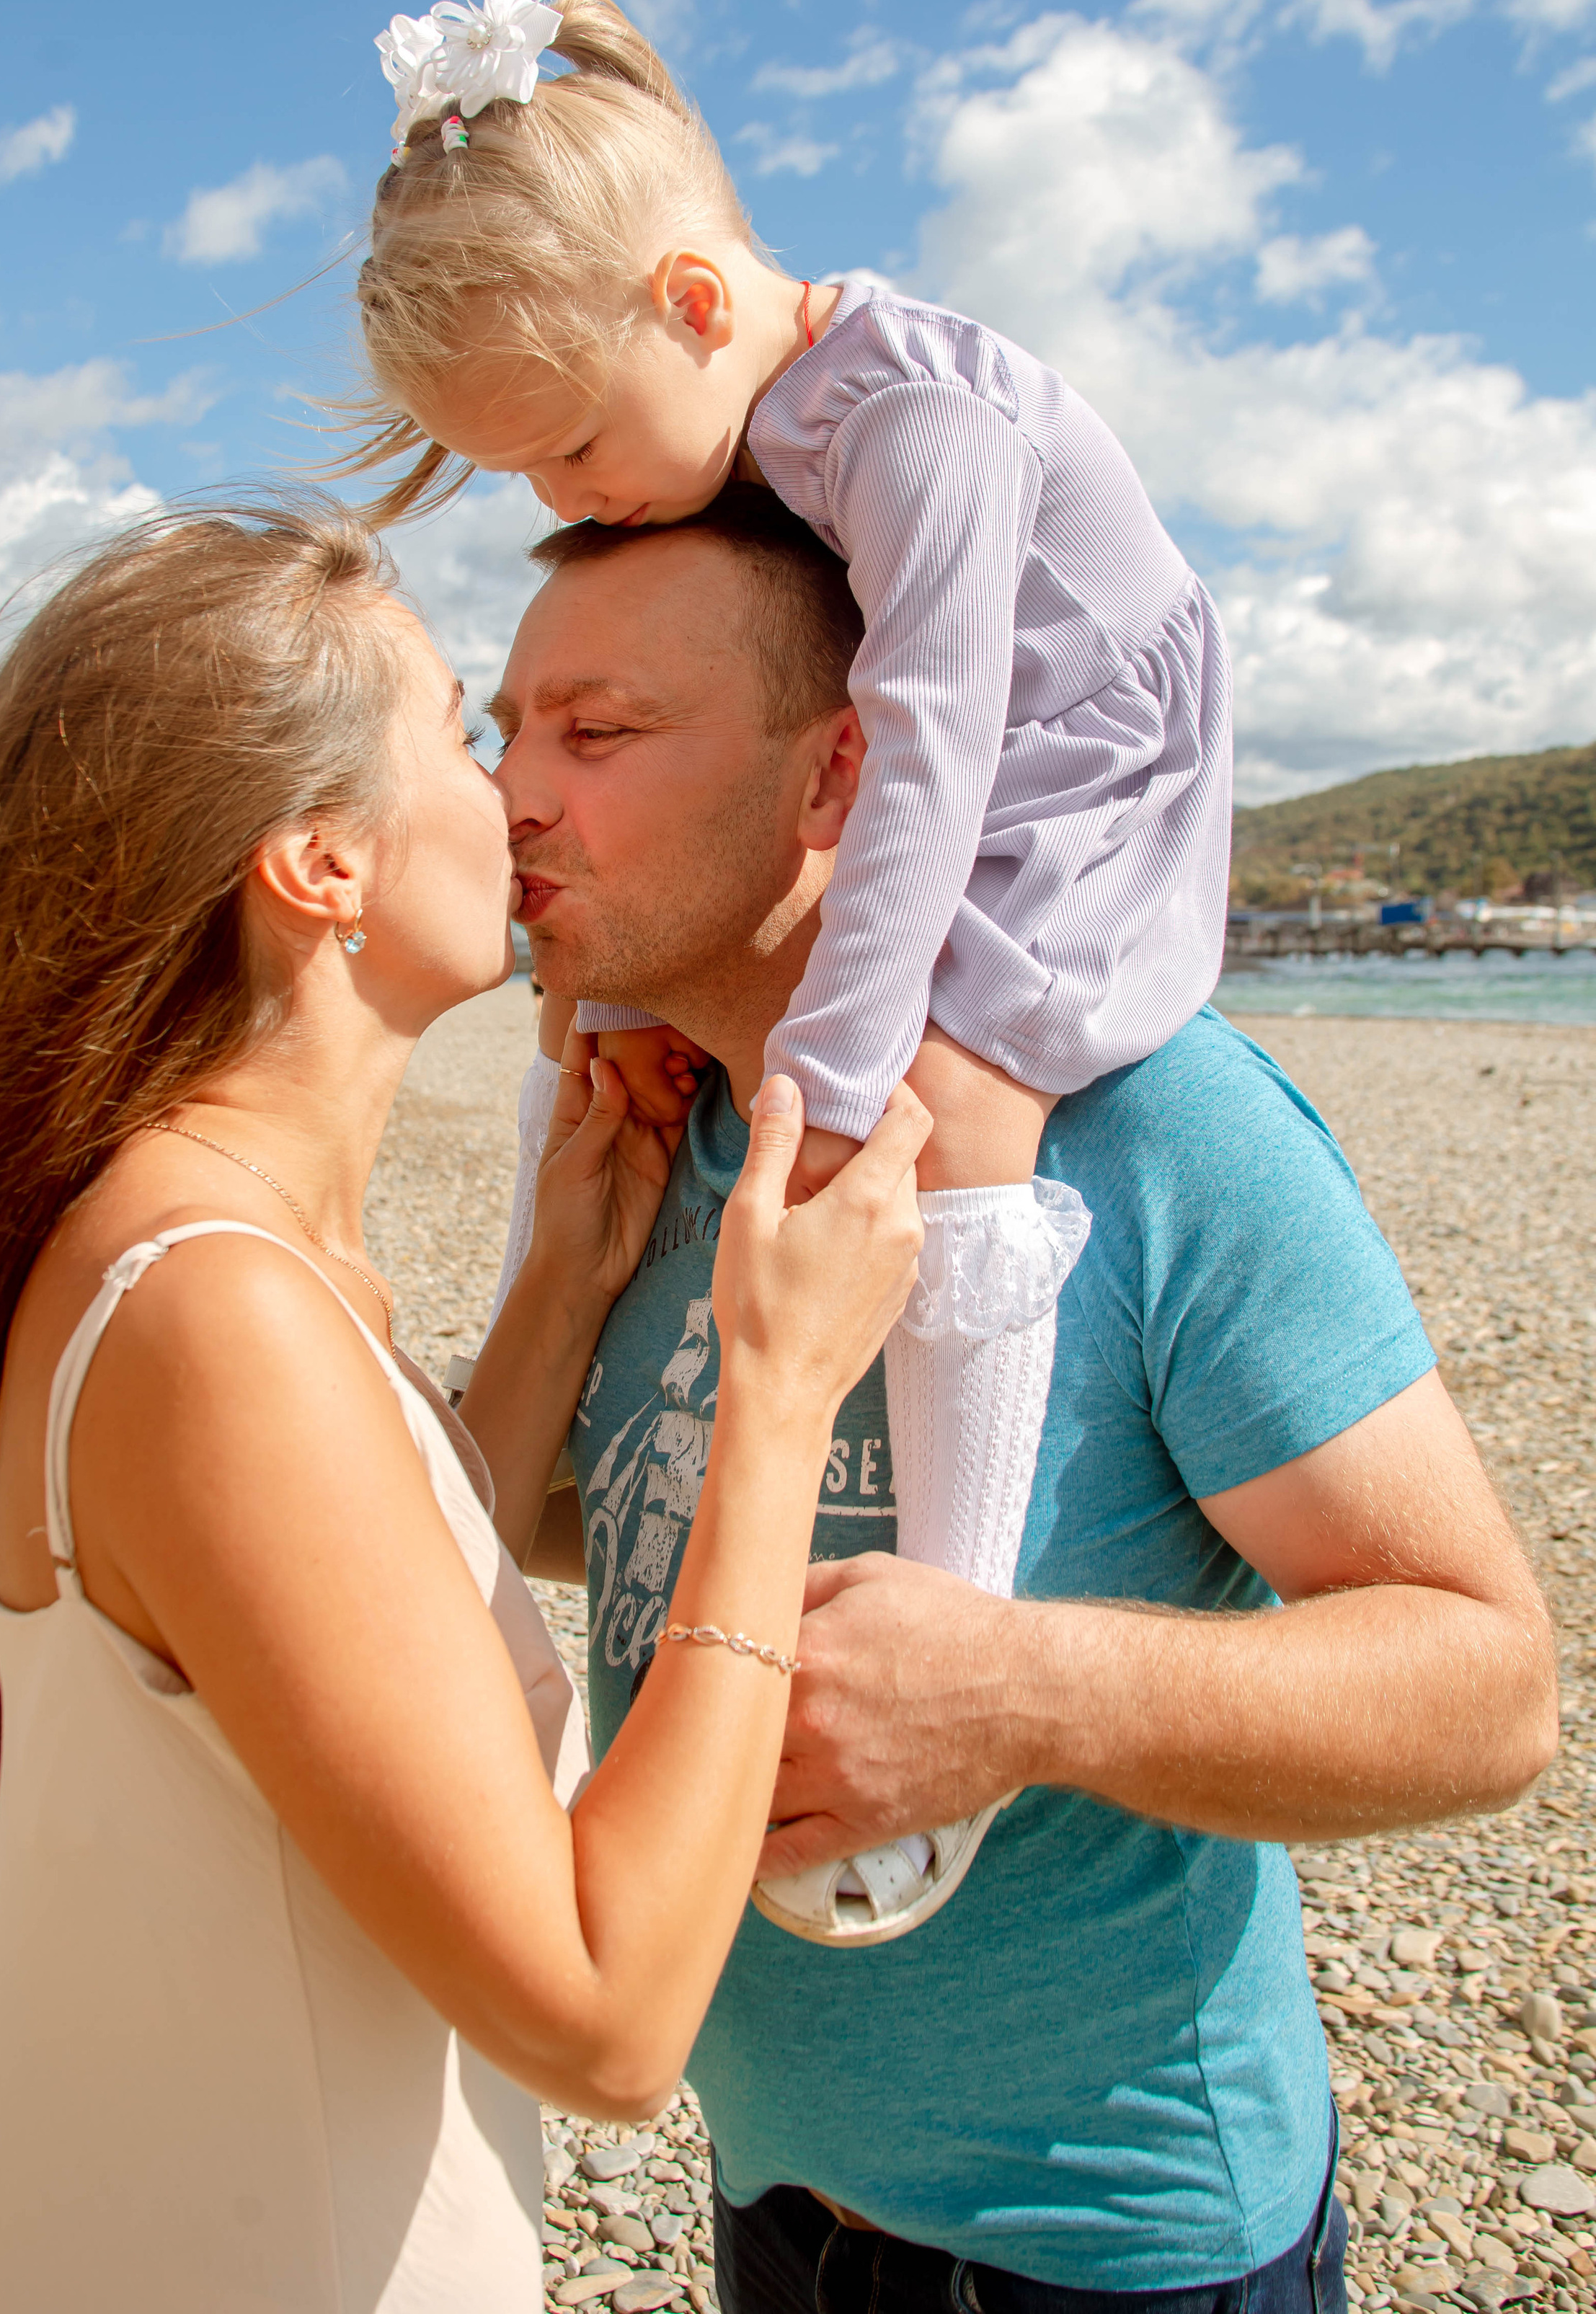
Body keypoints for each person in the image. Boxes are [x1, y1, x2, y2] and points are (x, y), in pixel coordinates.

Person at [483, 491, 1559, 2311]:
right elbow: (613, 1520)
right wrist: (562, 1285)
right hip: (772, 2197)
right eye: (500, 729)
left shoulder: (1148, 1129)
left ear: (841, 782)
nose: (514, 793)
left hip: (1117, 2250)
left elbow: (1489, 1689)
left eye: (594, 735)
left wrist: (1022, 1693)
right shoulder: (658, 1134)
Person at [0, 499, 928, 2314]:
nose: (515, 792)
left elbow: (347, 1632)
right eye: (461, 729)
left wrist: (564, 1284)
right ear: (318, 865)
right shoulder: (217, 1316)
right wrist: (776, 1394)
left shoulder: (178, 1237)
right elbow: (602, 2022)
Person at [350, 0, 1231, 1937]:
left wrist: (837, 1050)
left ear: (690, 301)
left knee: (953, 1092)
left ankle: (955, 1637)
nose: (568, 500)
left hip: (1077, 766)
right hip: (955, 760)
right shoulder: (746, 427)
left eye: (570, 445)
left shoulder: (905, 419)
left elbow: (923, 738)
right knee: (621, 1062)